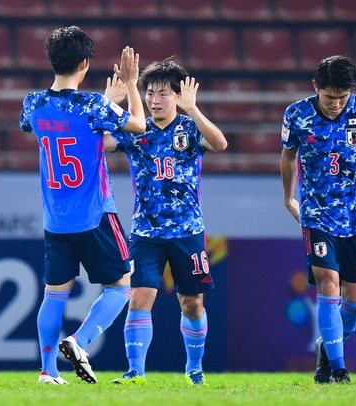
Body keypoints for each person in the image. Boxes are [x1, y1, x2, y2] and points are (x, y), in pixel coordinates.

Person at [20, 26, 146, 384]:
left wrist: (106, 106)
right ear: (85, 64)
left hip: (55, 219)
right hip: (95, 214)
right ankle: (79, 341)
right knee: (121, 286)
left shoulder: (33, 103)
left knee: (54, 295)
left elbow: (56, 127)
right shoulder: (93, 105)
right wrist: (130, 86)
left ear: (52, 60)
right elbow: (138, 125)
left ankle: (47, 371)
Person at [103, 58, 227, 385]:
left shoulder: (189, 127)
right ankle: (135, 372)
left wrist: (194, 110)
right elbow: (100, 143)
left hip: (188, 231)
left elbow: (220, 144)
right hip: (145, 232)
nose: (154, 100)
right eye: (150, 93)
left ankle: (194, 369)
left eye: (162, 94)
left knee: (192, 303)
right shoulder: (136, 129)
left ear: (177, 96)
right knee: (139, 297)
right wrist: (108, 106)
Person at [280, 55, 356, 384]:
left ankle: (327, 349)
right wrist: (288, 197)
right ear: (316, 87)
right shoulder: (296, 114)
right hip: (317, 215)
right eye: (330, 97)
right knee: (328, 282)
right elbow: (288, 156)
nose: (336, 104)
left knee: (355, 299)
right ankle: (339, 369)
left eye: (342, 97)